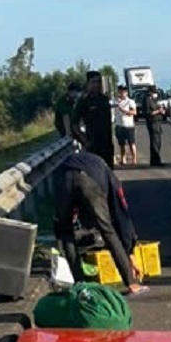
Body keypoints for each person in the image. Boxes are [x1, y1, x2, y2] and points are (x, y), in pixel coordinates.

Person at [52, 151, 147, 295]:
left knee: (66, 233)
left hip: (62, 178)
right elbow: (121, 214)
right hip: (88, 180)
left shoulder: (82, 162)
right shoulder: (109, 176)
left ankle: (81, 287)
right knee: (107, 230)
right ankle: (131, 283)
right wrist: (129, 250)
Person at [73, 71, 115, 168]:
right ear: (88, 83)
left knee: (108, 173)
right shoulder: (83, 101)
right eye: (94, 82)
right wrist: (85, 141)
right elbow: (74, 125)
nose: (97, 85)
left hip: (107, 144)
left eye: (99, 82)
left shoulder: (104, 100)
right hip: (93, 145)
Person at [113, 85, 138, 166]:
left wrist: (124, 110)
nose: (122, 93)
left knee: (131, 143)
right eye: (120, 91)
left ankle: (134, 159)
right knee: (121, 144)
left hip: (129, 125)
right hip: (119, 125)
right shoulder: (115, 101)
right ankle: (123, 159)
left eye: (124, 91)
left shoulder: (130, 101)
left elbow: (134, 112)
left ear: (126, 92)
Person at [144, 85, 167, 167]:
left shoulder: (154, 100)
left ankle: (155, 160)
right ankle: (156, 161)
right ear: (150, 92)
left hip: (158, 122)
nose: (154, 93)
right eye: (153, 91)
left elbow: (159, 108)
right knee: (155, 142)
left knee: (158, 142)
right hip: (152, 123)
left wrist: (162, 111)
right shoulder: (147, 100)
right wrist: (158, 111)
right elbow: (148, 113)